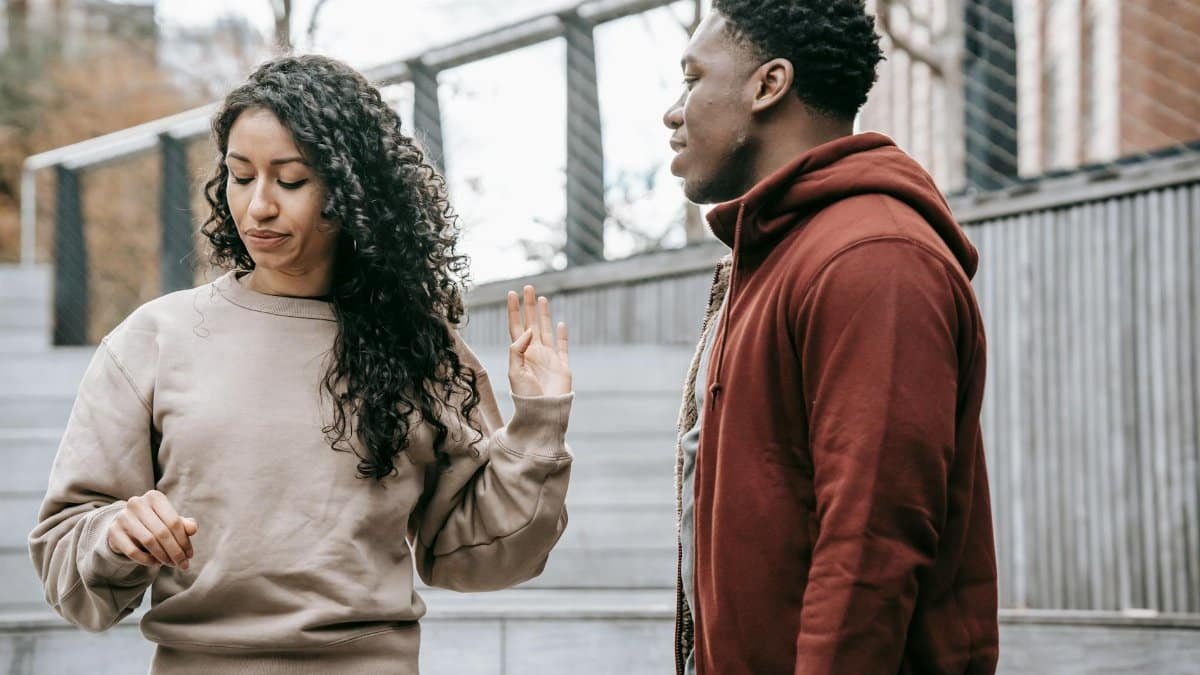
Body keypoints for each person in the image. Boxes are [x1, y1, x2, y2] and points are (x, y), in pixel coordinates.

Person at [29, 55, 574, 674]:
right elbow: (67, 567)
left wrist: (537, 424)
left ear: (350, 191)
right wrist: (115, 536)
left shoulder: (418, 349)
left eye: (289, 180)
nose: (258, 205)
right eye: (240, 176)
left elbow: (473, 556)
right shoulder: (153, 339)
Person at [663, 1, 998, 673]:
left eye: (694, 78)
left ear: (768, 84)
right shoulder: (773, 256)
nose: (675, 110)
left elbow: (870, 544)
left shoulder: (874, 258)